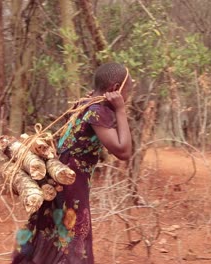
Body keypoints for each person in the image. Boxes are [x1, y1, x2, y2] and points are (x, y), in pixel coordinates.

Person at [12, 62, 133, 264]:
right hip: (70, 182)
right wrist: (120, 110)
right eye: (128, 89)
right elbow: (124, 151)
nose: (128, 95)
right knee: (73, 237)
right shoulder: (97, 112)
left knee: (52, 230)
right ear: (115, 89)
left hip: (58, 176)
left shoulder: (84, 102)